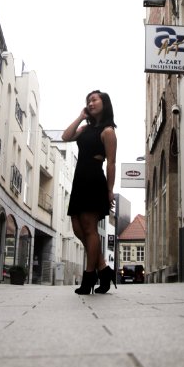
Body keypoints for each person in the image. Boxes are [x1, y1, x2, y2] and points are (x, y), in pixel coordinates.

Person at [62, 90, 117, 294]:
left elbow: (111, 163)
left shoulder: (108, 131)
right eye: (88, 101)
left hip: (94, 179)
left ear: (105, 103)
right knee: (78, 228)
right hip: (79, 179)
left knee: (89, 228)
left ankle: (89, 277)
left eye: (94, 99)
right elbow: (65, 136)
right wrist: (80, 116)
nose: (91, 103)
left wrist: (110, 190)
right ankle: (104, 270)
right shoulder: (85, 128)